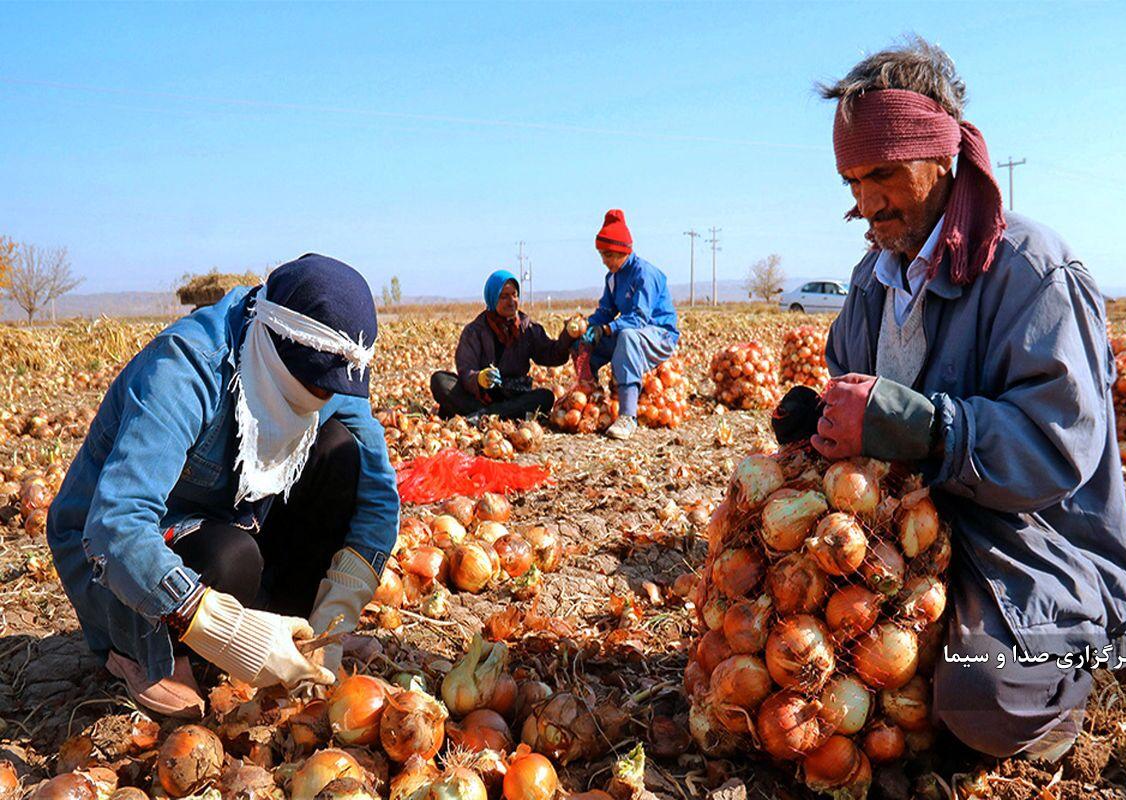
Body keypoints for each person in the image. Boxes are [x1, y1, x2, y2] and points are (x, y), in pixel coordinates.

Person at [809, 39, 1126, 761]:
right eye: (853, 181)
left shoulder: (1032, 268)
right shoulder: (875, 278)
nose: (867, 202)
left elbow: (1059, 445)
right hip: (920, 525)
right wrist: (816, 417)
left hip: (1034, 540)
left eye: (885, 175)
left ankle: (1080, 677)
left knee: (978, 697)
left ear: (941, 159)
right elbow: (846, 374)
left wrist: (931, 430)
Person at [47, 254, 399, 718]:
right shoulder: (185, 370)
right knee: (231, 558)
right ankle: (150, 653)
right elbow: (116, 528)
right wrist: (213, 623)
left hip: (236, 515)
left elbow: (377, 492)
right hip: (119, 552)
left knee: (339, 451)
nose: (326, 398)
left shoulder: (326, 370)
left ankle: (291, 633)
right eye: (316, 388)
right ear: (277, 355)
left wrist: (337, 607)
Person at [582, 209, 680, 440]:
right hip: (632, 330)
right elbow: (606, 310)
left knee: (627, 336)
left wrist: (606, 329)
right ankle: (588, 396)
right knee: (586, 344)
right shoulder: (613, 277)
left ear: (622, 251)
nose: (604, 261)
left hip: (659, 335)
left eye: (608, 255)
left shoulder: (645, 275)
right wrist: (588, 327)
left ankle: (627, 416)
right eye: (602, 255)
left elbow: (638, 318)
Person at [431, 269, 575, 421]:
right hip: (480, 397)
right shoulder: (474, 331)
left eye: (515, 295)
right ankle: (492, 415)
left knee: (545, 397)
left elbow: (552, 354)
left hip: (513, 396)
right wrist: (479, 378)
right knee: (439, 380)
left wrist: (568, 336)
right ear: (492, 299)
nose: (512, 301)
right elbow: (465, 369)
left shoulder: (527, 329)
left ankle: (482, 416)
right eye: (504, 296)